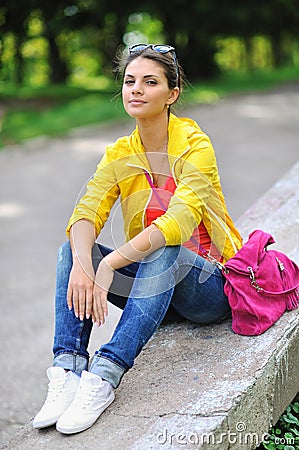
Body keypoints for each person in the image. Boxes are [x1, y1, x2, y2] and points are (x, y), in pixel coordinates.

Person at [33, 43, 243, 435]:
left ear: (172, 94)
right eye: (130, 81)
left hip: (207, 287)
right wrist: (84, 264)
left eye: (150, 82)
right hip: (152, 290)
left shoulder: (196, 146)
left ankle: (103, 376)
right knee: (71, 251)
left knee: (166, 250)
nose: (137, 90)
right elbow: (86, 212)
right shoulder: (120, 152)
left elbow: (177, 223)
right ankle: (68, 368)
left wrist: (108, 265)